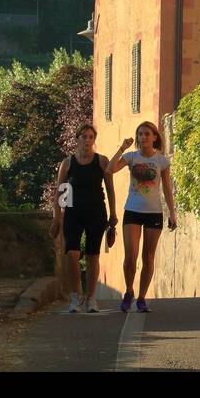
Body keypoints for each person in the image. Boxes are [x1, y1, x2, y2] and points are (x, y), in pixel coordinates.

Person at [106, 120, 176, 312]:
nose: (143, 137)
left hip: (154, 212)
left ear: (154, 137)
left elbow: (168, 189)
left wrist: (172, 213)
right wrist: (122, 148)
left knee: (148, 256)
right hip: (133, 212)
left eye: (147, 134)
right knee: (131, 256)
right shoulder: (131, 157)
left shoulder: (162, 160)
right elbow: (110, 169)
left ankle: (142, 297)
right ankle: (129, 291)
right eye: (140, 134)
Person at [49, 124, 116, 313]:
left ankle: (91, 298)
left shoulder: (102, 161)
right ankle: (76, 296)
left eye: (91, 137)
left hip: (96, 212)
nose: (87, 140)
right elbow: (61, 192)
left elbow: (110, 190)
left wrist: (113, 215)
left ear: (94, 140)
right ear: (77, 139)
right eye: (84, 137)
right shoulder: (68, 163)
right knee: (72, 253)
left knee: (93, 255)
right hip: (73, 212)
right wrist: (57, 218)